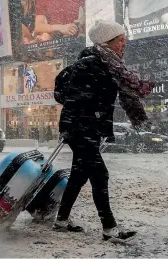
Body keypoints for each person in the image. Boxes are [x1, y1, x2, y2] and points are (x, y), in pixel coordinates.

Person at [54, 20, 154, 243]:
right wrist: (85, 119)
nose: (124, 44)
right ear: (108, 42)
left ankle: (61, 220)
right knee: (100, 174)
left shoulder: (108, 64)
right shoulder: (91, 63)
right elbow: (74, 99)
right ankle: (109, 228)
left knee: (79, 175)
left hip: (86, 127)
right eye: (120, 40)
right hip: (80, 129)